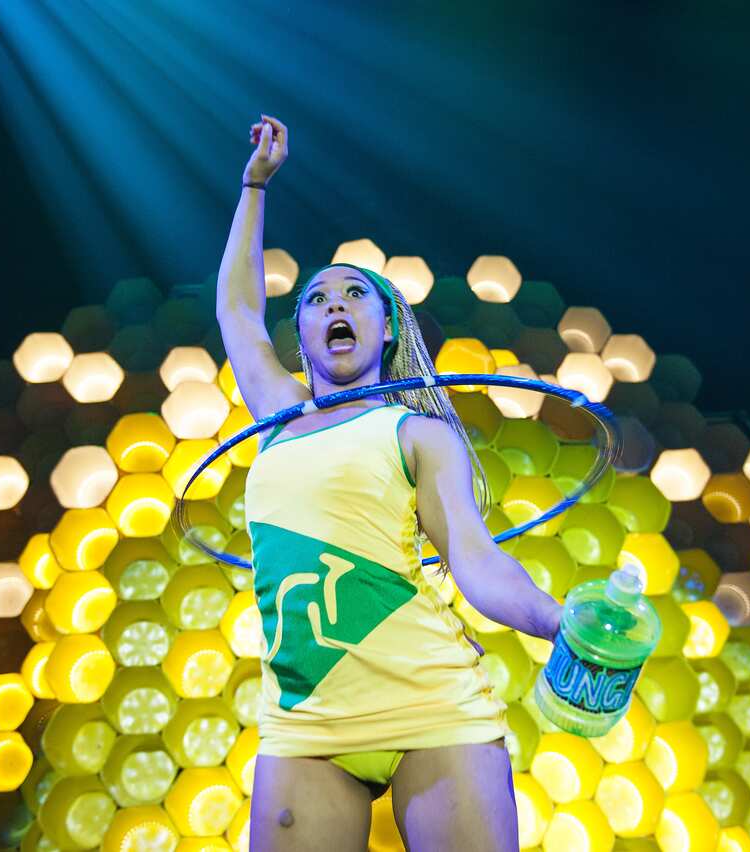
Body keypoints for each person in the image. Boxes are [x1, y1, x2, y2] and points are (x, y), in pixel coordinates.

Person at [216, 113, 564, 852]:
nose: (333, 305)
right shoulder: (276, 414)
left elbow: (474, 561)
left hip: (430, 702)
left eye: (354, 296)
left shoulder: (419, 434)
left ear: (387, 328)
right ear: (303, 337)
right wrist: (253, 186)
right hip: (307, 718)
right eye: (315, 299)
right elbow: (239, 308)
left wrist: (556, 621)